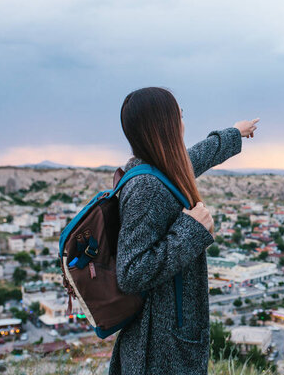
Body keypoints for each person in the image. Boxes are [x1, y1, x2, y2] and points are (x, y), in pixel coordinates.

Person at [108, 86, 259, 374]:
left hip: (164, 339)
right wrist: (191, 230)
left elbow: (194, 159)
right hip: (159, 349)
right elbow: (131, 273)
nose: (183, 123)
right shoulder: (147, 188)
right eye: (179, 116)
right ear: (164, 125)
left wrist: (235, 133)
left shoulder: (156, 172)